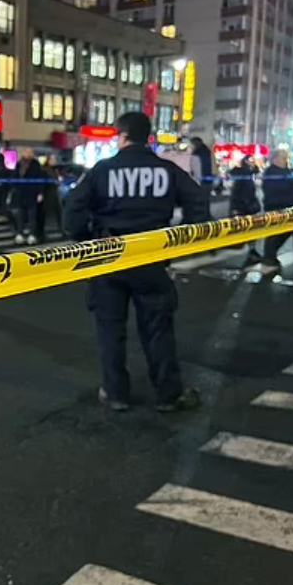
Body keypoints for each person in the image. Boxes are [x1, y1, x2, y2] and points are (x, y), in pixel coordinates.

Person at [63, 112, 206, 413]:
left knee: (110, 329)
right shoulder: (166, 170)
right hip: (151, 257)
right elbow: (198, 202)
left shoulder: (103, 170)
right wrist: (181, 239)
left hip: (109, 257)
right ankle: (168, 394)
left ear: (122, 135)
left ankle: (116, 393)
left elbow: (72, 212)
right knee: (158, 328)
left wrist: (87, 238)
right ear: (148, 137)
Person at [254, 149, 293, 273]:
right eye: (282, 158)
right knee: (275, 232)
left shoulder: (286, 171)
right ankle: (269, 256)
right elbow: (274, 189)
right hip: (275, 205)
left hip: (287, 205)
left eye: (286, 158)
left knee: (287, 230)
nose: (285, 160)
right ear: (275, 159)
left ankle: (270, 255)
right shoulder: (271, 172)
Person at [228, 154, 262, 265]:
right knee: (248, 229)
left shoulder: (247, 173)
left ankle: (251, 251)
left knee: (251, 229)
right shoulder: (244, 174)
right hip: (244, 206)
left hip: (247, 205)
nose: (252, 162)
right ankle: (250, 250)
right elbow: (237, 192)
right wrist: (235, 208)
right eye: (250, 160)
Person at [12, 148, 44, 245]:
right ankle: (20, 233)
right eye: (26, 152)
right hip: (21, 194)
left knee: (32, 216)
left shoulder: (35, 165)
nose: (28, 154)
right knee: (20, 216)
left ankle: (32, 235)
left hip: (32, 194)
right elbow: (14, 177)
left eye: (30, 152)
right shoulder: (19, 164)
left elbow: (40, 179)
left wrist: (40, 193)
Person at [189, 137, 214, 218]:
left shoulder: (196, 154)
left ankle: (202, 218)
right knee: (206, 201)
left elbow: (196, 170)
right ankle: (207, 216)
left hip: (200, 182)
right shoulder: (207, 151)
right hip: (208, 180)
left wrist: (196, 182)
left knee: (200, 202)